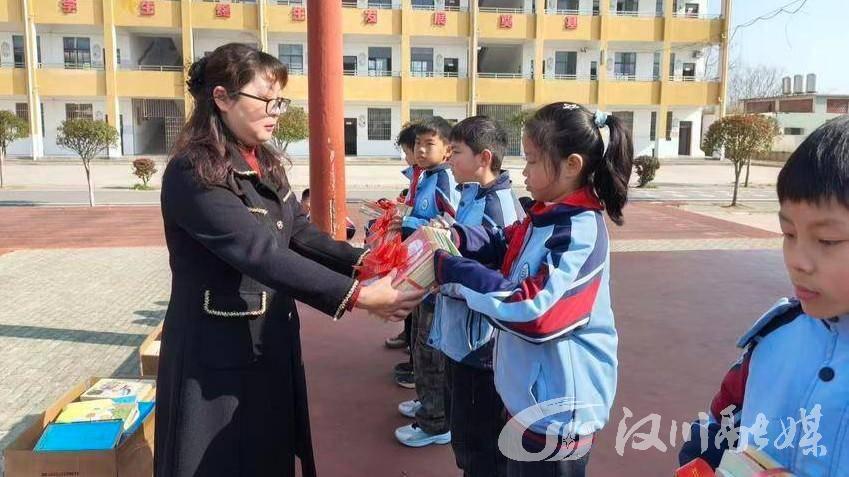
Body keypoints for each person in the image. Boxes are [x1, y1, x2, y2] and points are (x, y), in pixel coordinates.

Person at [155, 43, 423, 477]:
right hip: (214, 353)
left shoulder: (263, 160)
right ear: (222, 98)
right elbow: (259, 253)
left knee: (266, 448)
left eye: (280, 101)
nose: (276, 112)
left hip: (266, 338)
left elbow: (298, 232)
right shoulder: (194, 171)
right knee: (219, 462)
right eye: (266, 100)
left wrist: (366, 263)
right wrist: (358, 296)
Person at [433, 103, 634, 476]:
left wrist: (453, 270)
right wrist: (456, 238)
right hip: (530, 403)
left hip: (558, 416)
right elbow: (502, 240)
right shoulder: (545, 215)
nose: (523, 171)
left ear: (572, 165)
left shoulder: (578, 231)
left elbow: (536, 311)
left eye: (532, 161)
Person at [678, 116, 849, 476]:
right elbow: (720, 426)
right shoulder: (773, 339)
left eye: (828, 240)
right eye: (789, 233)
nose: (798, 261)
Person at [427, 115, 525, 476]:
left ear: (483, 158)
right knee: (466, 439)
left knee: (480, 448)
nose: (449, 159)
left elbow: (498, 284)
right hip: (460, 339)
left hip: (480, 348)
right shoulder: (472, 194)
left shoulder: (500, 208)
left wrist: (439, 278)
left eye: (456, 152)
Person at [392, 116, 460, 447]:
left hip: (435, 280)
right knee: (419, 344)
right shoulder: (424, 176)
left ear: (447, 150)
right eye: (417, 144)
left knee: (431, 351)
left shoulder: (445, 179)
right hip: (420, 275)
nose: (420, 150)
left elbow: (449, 223)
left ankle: (436, 423)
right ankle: (426, 401)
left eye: (428, 144)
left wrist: (409, 222)